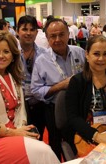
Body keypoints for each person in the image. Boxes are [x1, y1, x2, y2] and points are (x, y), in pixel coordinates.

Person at [0, 30, 59, 164]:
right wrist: (12, 132)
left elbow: (20, 112)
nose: (1, 56)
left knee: (39, 148)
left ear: (13, 55)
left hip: (12, 133)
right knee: (44, 151)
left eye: (6, 51)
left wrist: (20, 130)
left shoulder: (13, 78)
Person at [31, 18, 85, 160]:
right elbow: (36, 90)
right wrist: (61, 86)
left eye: (61, 34)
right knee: (55, 145)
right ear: (47, 38)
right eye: (52, 36)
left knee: (79, 141)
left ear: (68, 34)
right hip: (54, 109)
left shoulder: (79, 52)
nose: (57, 39)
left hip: (80, 107)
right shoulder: (41, 60)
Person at [65, 35, 106, 155]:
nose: (101, 58)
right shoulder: (77, 82)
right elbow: (73, 117)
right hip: (87, 135)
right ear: (87, 55)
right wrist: (97, 136)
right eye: (96, 54)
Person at [17, 15, 47, 141]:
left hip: (39, 103)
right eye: (24, 29)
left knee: (38, 136)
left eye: (32, 29)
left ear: (36, 32)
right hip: (18, 104)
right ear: (18, 31)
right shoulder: (11, 53)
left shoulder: (44, 53)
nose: (28, 33)